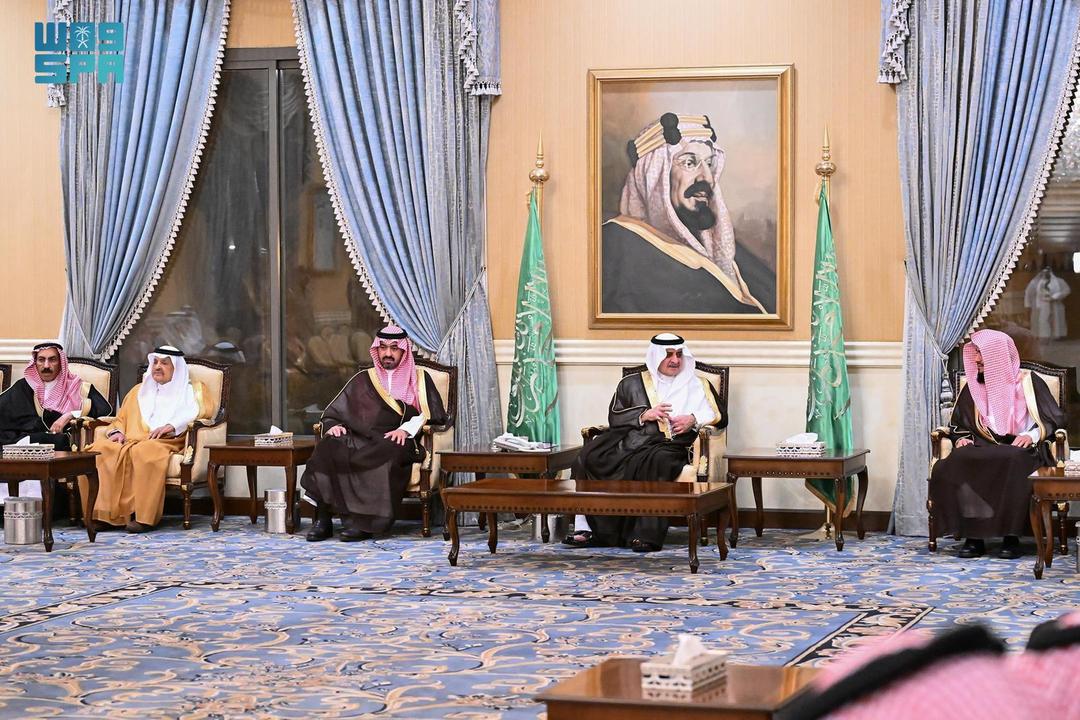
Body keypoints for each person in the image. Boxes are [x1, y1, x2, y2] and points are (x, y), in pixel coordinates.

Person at [565, 333, 726, 552]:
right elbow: (615, 416)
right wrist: (644, 415)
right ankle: (587, 529)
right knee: (588, 458)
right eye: (668, 355)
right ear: (656, 356)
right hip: (632, 439)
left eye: (679, 354)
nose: (675, 360)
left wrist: (693, 419)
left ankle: (645, 535)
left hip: (671, 444)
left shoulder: (699, 385)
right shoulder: (631, 383)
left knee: (657, 461)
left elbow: (720, 416)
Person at [601, 113, 775, 315]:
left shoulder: (724, 251)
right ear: (654, 178)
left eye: (709, 163)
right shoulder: (616, 246)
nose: (707, 177)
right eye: (689, 163)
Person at [301, 326, 448, 542]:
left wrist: (404, 429)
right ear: (376, 350)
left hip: (397, 439)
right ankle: (323, 520)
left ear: (404, 350)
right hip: (361, 435)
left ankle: (363, 523)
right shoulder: (364, 378)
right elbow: (336, 411)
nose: (388, 353)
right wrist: (333, 424)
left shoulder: (419, 378)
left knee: (388, 450)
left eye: (394, 348)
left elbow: (431, 414)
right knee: (330, 444)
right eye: (383, 348)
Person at [930, 329, 1066, 559]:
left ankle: (1011, 538)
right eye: (975, 353)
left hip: (1019, 448)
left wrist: (1032, 436)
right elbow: (960, 423)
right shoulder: (973, 386)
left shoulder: (1028, 382)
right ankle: (973, 537)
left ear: (997, 354)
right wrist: (961, 438)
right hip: (982, 444)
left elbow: (1054, 420)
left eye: (981, 353)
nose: (976, 359)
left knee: (1012, 459)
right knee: (960, 459)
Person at [81, 346, 205, 532]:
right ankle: (102, 515)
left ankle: (144, 518)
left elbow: (199, 413)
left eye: (164, 363)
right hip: (130, 439)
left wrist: (172, 425)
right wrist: (116, 433)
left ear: (177, 368)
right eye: (155, 362)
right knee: (99, 451)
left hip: (166, 440)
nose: (158, 366)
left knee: (145, 452)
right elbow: (121, 418)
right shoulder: (138, 391)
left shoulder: (190, 391)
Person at [0, 342, 111, 449]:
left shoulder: (80, 387)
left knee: (59, 440)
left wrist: (69, 415)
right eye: (41, 360)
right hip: (26, 442)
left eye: (52, 360)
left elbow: (104, 413)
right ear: (35, 363)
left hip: (62, 441)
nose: (46, 365)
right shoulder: (24, 386)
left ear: (61, 362)